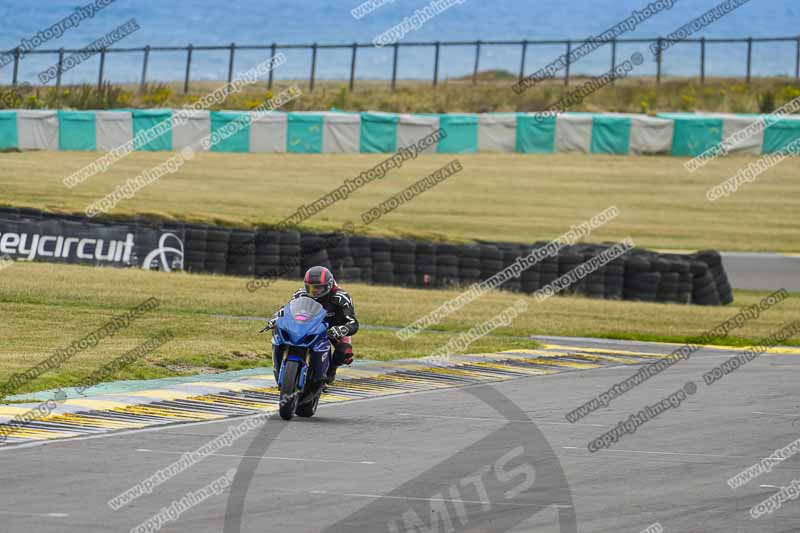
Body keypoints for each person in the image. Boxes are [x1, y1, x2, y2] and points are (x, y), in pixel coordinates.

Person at [267, 266, 358, 386]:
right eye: (309, 287)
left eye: (318, 288)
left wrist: (342, 329)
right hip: (312, 325)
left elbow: (353, 322)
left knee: (344, 353)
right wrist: (276, 318)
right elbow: (287, 309)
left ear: (328, 286)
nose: (313, 291)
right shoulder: (301, 293)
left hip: (334, 328)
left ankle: (330, 372)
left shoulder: (341, 297)